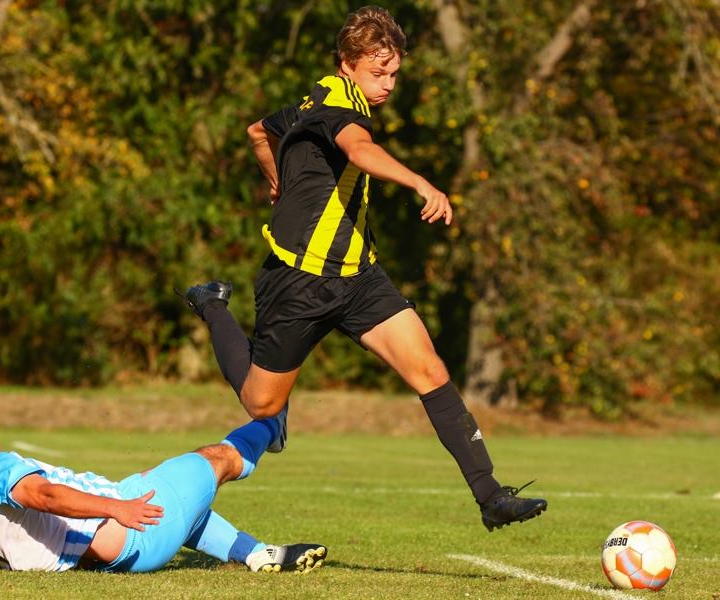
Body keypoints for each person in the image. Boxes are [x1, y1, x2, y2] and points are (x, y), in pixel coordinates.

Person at [177, 6, 547, 532]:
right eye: (379, 72)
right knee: (262, 406)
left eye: (395, 72)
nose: (390, 83)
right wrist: (421, 183)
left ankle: (490, 496)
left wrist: (276, 179)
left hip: (358, 276)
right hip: (300, 282)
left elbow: (259, 130)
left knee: (430, 370)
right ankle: (213, 304)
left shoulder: (312, 101)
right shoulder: (335, 106)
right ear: (348, 64)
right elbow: (360, 149)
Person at [0, 396, 326, 573]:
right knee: (216, 459)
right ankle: (274, 422)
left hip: (111, 548)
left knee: (186, 508)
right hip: (127, 532)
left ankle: (256, 555)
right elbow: (44, 495)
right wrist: (116, 508)